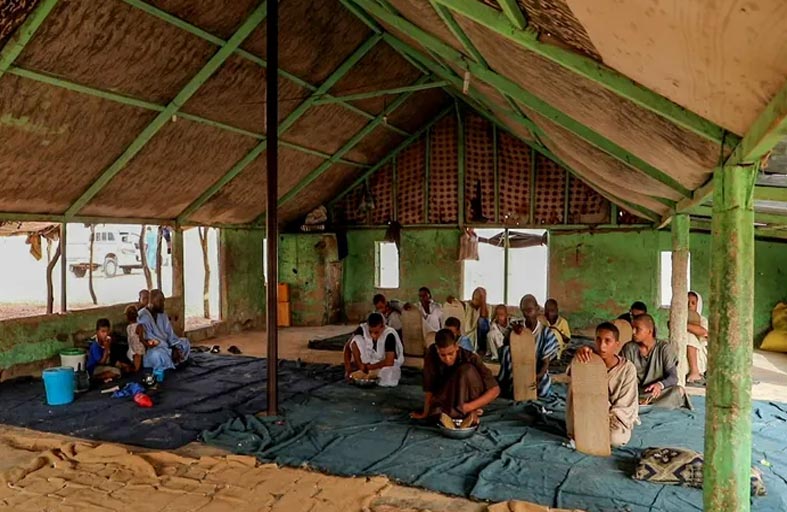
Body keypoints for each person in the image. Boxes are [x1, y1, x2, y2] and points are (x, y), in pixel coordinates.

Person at [410, 328, 500, 427]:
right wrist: (425, 413)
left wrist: (469, 407)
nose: (447, 359)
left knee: (467, 370)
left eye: (451, 354)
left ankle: (468, 413)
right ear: (437, 349)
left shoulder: (470, 357)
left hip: (468, 399)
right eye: (443, 355)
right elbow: (430, 388)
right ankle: (462, 415)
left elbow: (495, 390)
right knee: (435, 412)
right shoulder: (431, 355)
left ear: (457, 346)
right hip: (448, 396)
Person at [569, 322, 639, 448]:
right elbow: (571, 375)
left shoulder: (627, 369)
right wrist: (578, 358)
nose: (602, 346)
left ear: (617, 344)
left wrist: (604, 414)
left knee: (615, 438)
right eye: (598, 340)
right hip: (588, 414)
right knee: (576, 378)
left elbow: (626, 405)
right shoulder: (587, 360)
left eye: (608, 341)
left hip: (613, 418)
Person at [497, 295, 559, 399]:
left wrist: (537, 377)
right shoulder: (516, 326)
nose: (527, 314)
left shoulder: (546, 333)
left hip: (536, 372)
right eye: (524, 311)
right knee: (506, 350)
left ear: (537, 309)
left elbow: (545, 363)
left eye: (530, 310)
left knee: (543, 389)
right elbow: (504, 348)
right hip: (517, 370)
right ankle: (509, 385)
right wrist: (512, 335)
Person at [621, 314, 685, 408]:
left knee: (678, 391)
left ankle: (643, 405)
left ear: (649, 331)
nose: (633, 332)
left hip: (655, 392)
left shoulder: (664, 348)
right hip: (635, 392)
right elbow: (624, 377)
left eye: (637, 329)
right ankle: (645, 404)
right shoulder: (628, 348)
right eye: (632, 328)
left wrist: (660, 385)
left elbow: (673, 377)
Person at [343, 312, 404, 387]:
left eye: (376, 332)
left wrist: (370, 367)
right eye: (370, 332)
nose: (373, 335)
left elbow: (389, 361)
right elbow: (347, 347)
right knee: (356, 339)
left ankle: (367, 371)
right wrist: (348, 369)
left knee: (388, 378)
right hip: (369, 361)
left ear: (383, 327)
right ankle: (361, 369)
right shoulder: (363, 328)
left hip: (386, 364)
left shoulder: (389, 334)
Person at [138, 289, 191, 371]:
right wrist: (170, 351)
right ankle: (174, 360)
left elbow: (170, 334)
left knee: (185, 343)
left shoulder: (162, 314)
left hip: (168, 346)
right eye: (160, 302)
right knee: (159, 355)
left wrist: (174, 347)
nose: (163, 305)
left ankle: (175, 359)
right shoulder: (143, 316)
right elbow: (150, 339)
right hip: (153, 349)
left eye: (163, 301)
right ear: (152, 302)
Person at [446, 287, 490, 352]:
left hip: (482, 337)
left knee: (482, 321)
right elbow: (461, 303)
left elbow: (483, 318)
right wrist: (453, 299)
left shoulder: (486, 307)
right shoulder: (468, 305)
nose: (476, 300)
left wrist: (483, 300)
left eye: (480, 298)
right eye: (475, 298)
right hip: (469, 335)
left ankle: (482, 349)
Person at [125, 305, 157, 373]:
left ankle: (128, 367)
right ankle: (127, 369)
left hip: (132, 348)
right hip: (138, 349)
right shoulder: (139, 326)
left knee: (135, 363)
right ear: (137, 315)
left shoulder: (128, 327)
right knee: (136, 368)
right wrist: (148, 345)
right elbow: (141, 339)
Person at [686, 291, 709, 384]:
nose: (689, 305)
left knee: (690, 336)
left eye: (693, 303)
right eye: (687, 302)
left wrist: (684, 325)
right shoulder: (679, 318)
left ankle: (695, 372)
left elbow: (703, 332)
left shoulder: (702, 320)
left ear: (698, 305)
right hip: (683, 352)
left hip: (698, 355)